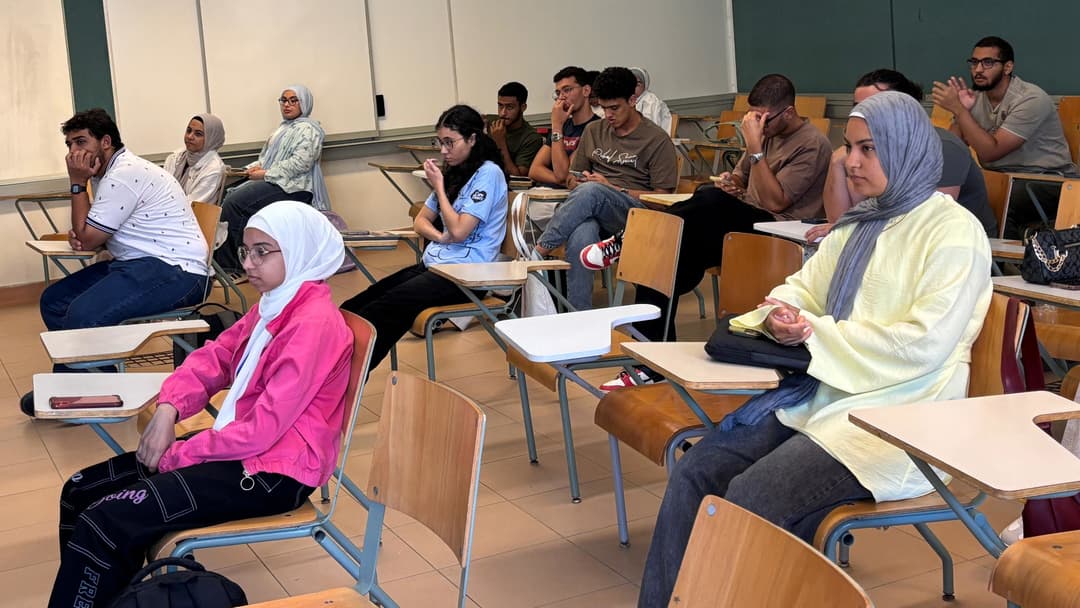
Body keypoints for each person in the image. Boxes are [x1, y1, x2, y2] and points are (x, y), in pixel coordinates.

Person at [638, 91, 993, 607]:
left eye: (868, 149)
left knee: (753, 496)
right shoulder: (865, 222)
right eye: (849, 147)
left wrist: (813, 334)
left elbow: (922, 344)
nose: (850, 161)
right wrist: (782, 310)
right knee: (699, 470)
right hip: (828, 390)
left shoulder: (954, 233)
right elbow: (806, 286)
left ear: (907, 149)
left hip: (904, 412)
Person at [47, 201, 352, 608]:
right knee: (80, 493)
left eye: (263, 251)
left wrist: (179, 455)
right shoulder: (276, 303)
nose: (249, 263)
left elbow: (262, 430)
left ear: (298, 250)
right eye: (246, 251)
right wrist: (169, 409)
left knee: (107, 520)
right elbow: (217, 357)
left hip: (274, 473)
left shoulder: (312, 323)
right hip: (246, 451)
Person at [587, 74, 830, 388]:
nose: (757, 124)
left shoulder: (813, 143)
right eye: (753, 116)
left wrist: (755, 147)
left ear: (788, 112)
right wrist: (734, 181)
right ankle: (651, 362)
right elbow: (743, 179)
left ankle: (629, 238)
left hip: (779, 234)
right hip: (740, 225)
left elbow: (775, 201)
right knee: (663, 257)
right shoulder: (767, 135)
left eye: (763, 119)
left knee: (707, 200)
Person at [341, 105, 508, 370]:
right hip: (437, 267)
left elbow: (460, 230)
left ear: (473, 139)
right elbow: (420, 221)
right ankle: (337, 363)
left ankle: (348, 373)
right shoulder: (457, 170)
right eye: (440, 142)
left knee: (383, 310)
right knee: (356, 305)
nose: (443, 151)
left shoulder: (488, 173)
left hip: (467, 275)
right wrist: (441, 238)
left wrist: (439, 187)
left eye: (450, 143)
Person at [37, 109, 209, 360]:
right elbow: (88, 237)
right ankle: (81, 382)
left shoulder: (123, 174)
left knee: (84, 315)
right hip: (138, 262)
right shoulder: (103, 173)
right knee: (53, 301)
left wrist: (76, 183)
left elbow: (86, 238)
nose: (73, 152)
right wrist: (86, 234)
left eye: (81, 142)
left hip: (177, 270)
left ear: (106, 142)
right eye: (69, 144)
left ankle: (87, 391)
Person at [532, 66, 678, 312]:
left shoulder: (656, 139)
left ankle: (536, 253)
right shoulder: (594, 131)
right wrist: (576, 182)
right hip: (595, 211)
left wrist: (613, 188)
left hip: (635, 215)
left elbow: (663, 199)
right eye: (603, 108)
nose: (608, 115)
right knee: (582, 232)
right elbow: (570, 177)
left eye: (615, 108)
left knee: (594, 192)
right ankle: (579, 316)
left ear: (633, 100)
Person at [807, 69, 997, 241]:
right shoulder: (865, 149)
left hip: (957, 249)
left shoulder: (943, 146)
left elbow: (928, 221)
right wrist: (836, 164)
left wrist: (855, 228)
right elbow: (841, 221)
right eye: (858, 106)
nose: (865, 112)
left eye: (877, 104)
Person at [215, 84, 330, 274]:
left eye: (294, 100)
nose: (287, 105)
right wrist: (246, 170)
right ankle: (223, 261)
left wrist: (265, 174)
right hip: (276, 180)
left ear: (305, 103)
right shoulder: (281, 130)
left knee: (236, 203)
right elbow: (264, 160)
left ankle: (233, 267)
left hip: (294, 187)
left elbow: (300, 164)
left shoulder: (311, 130)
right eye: (284, 100)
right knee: (228, 193)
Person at [931, 36, 1076, 175]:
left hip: (1045, 178)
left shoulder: (1031, 99)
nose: (978, 70)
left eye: (987, 62)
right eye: (974, 62)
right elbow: (951, 152)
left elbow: (991, 152)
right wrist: (960, 113)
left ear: (1007, 67)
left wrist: (960, 110)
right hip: (998, 177)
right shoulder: (973, 98)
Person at [528, 66, 600, 187]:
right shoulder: (563, 124)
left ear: (586, 91)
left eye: (567, 90)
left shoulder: (596, 128)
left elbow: (564, 173)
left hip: (571, 197)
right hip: (548, 191)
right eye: (558, 93)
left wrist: (556, 126)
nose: (561, 97)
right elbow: (534, 170)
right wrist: (563, 181)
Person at [163, 113, 227, 204]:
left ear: (211, 139)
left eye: (198, 134)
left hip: (193, 215)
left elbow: (192, 204)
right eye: (188, 131)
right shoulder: (174, 158)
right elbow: (161, 190)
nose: (190, 137)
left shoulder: (214, 169)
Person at [490, 81, 544, 177]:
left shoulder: (531, 138)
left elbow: (518, 177)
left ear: (523, 107)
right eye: (500, 105)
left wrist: (500, 143)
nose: (503, 113)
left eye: (509, 107)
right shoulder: (490, 123)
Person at [630, 66, 673, 134]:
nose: (633, 87)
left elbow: (652, 127)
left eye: (637, 84)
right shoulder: (623, 100)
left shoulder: (651, 101)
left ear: (645, 86)